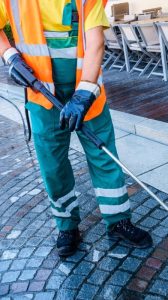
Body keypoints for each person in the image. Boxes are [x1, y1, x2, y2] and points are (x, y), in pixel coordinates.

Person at [0, 0, 152, 257]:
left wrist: (83, 95)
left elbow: (95, 43)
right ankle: (66, 226)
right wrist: (9, 55)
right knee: (53, 165)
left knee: (103, 157)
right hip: (41, 95)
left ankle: (118, 222)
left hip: (87, 88)